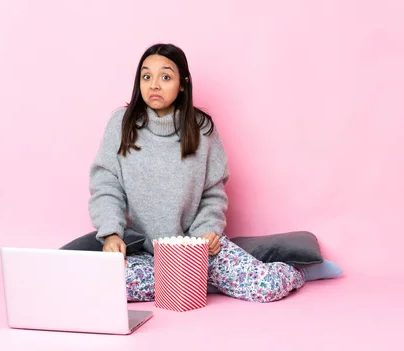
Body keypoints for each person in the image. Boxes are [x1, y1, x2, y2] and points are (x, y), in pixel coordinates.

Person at [61, 43, 342, 303]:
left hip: (195, 247)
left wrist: (207, 233)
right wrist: (111, 234)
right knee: (108, 286)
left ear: (183, 84)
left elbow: (213, 192)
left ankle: (301, 271)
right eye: (146, 77)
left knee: (265, 287)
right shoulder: (121, 124)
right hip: (144, 252)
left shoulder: (202, 128)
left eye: (166, 77)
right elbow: (106, 184)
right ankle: (205, 283)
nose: (154, 85)